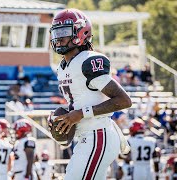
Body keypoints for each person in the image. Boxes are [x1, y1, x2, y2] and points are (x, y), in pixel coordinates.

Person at [49, 9, 132, 180]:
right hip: (87, 137)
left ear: (81, 32)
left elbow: (123, 100)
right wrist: (65, 119)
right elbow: (81, 99)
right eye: (56, 33)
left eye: (64, 32)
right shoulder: (63, 67)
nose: (59, 38)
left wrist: (80, 114)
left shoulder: (89, 61)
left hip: (97, 135)